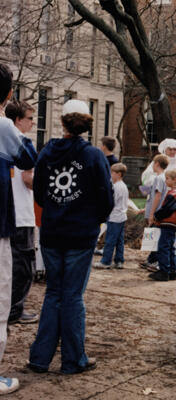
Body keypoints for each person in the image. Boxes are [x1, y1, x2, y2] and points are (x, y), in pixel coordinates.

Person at [28, 99, 114, 374]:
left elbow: (40, 193)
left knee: (54, 293)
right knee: (73, 296)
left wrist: (57, 210)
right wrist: (92, 219)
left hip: (53, 232)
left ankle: (40, 358)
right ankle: (73, 359)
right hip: (80, 234)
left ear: (62, 121)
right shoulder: (93, 156)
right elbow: (106, 197)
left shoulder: (47, 152)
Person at [0, 63, 37, 395]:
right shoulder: (4, 128)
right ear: (9, 94)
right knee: (0, 300)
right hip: (0, 226)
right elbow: (28, 159)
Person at [5, 101, 38, 324]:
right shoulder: (22, 143)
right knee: (24, 266)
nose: (33, 122)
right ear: (18, 120)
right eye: (29, 118)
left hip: (7, 211)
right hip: (22, 213)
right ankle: (15, 310)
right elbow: (28, 179)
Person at [141, 138, 176, 257]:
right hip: (159, 200)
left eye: (174, 149)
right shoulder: (158, 162)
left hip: (174, 201)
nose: (172, 151)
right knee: (156, 227)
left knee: (174, 228)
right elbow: (146, 177)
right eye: (169, 149)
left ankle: (174, 252)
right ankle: (154, 255)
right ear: (165, 149)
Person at [149, 169, 176, 281]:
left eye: (167, 178)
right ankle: (172, 271)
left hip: (168, 222)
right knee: (170, 247)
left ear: (174, 180)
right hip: (174, 224)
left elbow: (167, 209)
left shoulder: (174, 194)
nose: (165, 180)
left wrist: (156, 216)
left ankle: (163, 271)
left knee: (163, 246)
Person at [94, 163, 128, 269]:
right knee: (119, 241)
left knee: (110, 240)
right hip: (122, 216)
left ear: (119, 174)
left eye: (112, 173)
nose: (110, 174)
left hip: (114, 217)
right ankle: (119, 260)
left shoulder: (116, 187)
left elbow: (111, 202)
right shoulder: (123, 186)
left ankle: (106, 261)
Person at [139, 154, 169, 270]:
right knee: (154, 237)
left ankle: (155, 261)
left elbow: (157, 196)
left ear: (156, 164)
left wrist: (151, 214)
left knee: (153, 237)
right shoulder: (163, 177)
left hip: (156, 213)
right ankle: (151, 259)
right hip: (156, 211)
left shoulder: (158, 178)